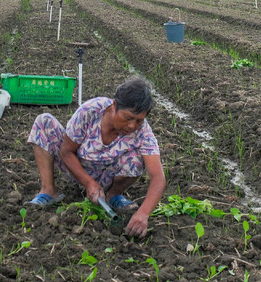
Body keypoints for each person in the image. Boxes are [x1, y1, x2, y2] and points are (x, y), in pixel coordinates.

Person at [26, 77, 166, 237]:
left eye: (139, 121)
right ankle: (49, 190)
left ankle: (113, 195)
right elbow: (66, 151)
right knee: (44, 121)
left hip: (108, 177)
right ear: (114, 105)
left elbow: (158, 177)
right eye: (128, 118)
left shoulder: (143, 133)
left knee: (137, 156)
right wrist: (89, 183)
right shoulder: (91, 111)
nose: (132, 126)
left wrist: (143, 214)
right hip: (75, 168)